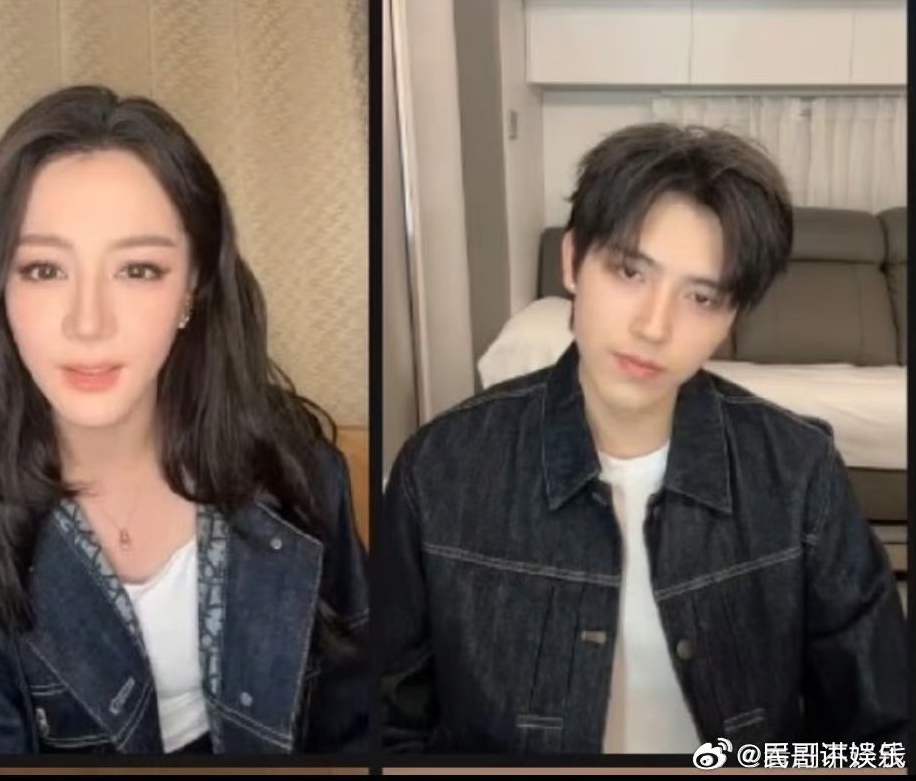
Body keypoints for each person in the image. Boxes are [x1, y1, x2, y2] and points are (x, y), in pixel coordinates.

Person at [0, 85, 368, 754]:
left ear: (192, 289)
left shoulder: (296, 468)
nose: (88, 322)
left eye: (138, 270)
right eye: (44, 269)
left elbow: (354, 719)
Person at [380, 122, 908, 754]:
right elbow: (391, 729)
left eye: (701, 297)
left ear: (731, 317)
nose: (654, 326)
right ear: (572, 262)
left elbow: (881, 735)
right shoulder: (440, 470)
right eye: (630, 272)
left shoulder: (799, 474)